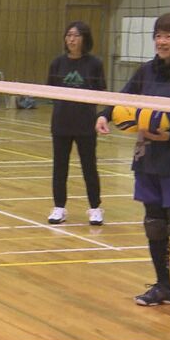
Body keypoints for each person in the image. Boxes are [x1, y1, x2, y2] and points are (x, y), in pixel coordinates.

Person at [95, 12, 170, 319]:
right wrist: (105, 114)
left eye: (168, 36)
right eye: (158, 36)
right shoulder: (147, 70)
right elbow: (123, 97)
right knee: (154, 223)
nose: (161, 41)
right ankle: (164, 287)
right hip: (147, 158)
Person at [46, 21, 106, 225]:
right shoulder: (57, 63)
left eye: (76, 35)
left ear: (84, 39)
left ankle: (95, 208)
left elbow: (100, 91)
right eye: (69, 35)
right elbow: (50, 90)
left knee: (89, 167)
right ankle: (59, 207)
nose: (71, 39)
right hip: (61, 123)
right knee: (59, 167)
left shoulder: (94, 64)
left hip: (85, 124)